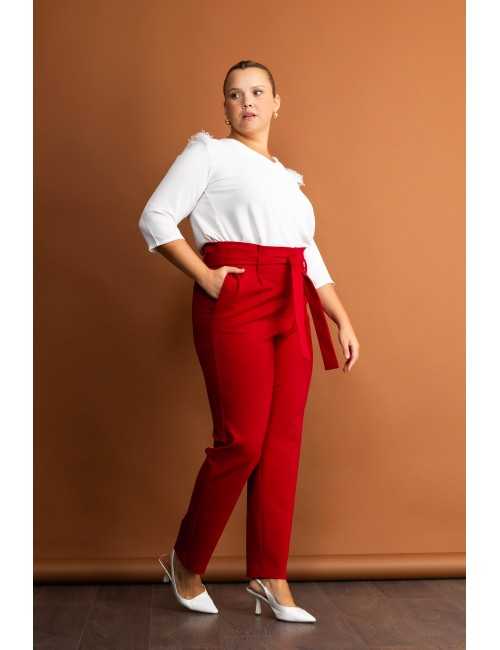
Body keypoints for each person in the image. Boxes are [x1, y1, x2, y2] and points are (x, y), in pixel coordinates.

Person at [138, 59, 360, 622]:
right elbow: (156, 217)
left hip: (291, 300)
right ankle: (185, 561)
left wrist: (340, 317)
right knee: (241, 441)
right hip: (236, 296)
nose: (248, 103)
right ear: (225, 107)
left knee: (282, 443)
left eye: (258, 92)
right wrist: (206, 276)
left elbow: (306, 252)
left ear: (277, 103)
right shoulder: (209, 154)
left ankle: (270, 575)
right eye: (236, 95)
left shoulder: (286, 178)